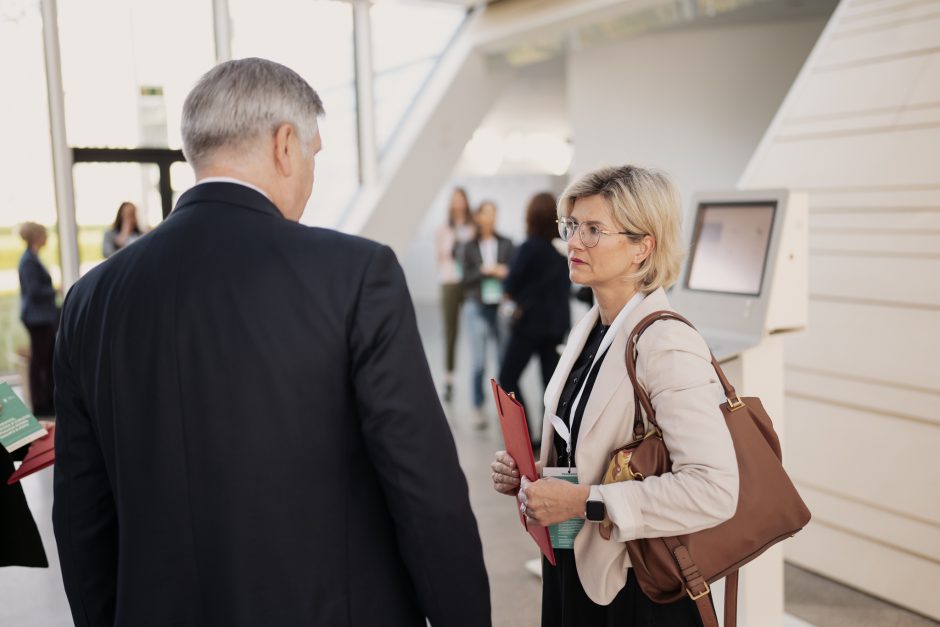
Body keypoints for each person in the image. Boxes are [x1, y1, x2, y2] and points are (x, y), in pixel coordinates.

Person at [53, 57, 490, 627]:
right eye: (313, 153)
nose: (310, 171)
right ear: (286, 145)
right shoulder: (353, 275)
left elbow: (82, 516)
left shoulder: (91, 300)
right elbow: (422, 486)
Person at [490, 166, 738, 626]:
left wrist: (583, 502)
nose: (574, 242)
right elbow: (592, 445)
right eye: (572, 227)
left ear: (643, 246)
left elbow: (715, 489)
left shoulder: (667, 344)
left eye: (593, 230)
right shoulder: (593, 329)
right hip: (573, 566)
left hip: (636, 589)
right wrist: (533, 472)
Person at [497, 192, 570, 442]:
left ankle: (524, 436)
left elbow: (510, 284)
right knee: (551, 387)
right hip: (556, 327)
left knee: (507, 378)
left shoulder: (528, 248)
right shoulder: (562, 253)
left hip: (528, 326)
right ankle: (550, 441)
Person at [460, 200, 513, 427]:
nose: (490, 217)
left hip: (500, 306)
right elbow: (465, 279)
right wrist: (483, 271)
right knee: (479, 362)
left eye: (494, 213)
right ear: (478, 217)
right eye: (486, 213)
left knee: (504, 361)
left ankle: (506, 409)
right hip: (477, 307)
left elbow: (515, 272)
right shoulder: (469, 246)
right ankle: (478, 407)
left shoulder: (507, 243)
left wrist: (504, 272)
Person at [436, 187, 474, 403]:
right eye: (455, 200)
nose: (458, 204)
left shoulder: (473, 228)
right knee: (450, 332)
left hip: (469, 284)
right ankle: (448, 379)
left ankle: (478, 381)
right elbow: (439, 257)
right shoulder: (443, 229)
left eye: (461, 199)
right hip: (450, 282)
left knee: (475, 330)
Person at [17, 222, 57, 417]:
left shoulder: (33, 258)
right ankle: (40, 403)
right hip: (36, 318)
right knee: (39, 361)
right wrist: (54, 291)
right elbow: (34, 291)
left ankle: (48, 398)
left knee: (46, 359)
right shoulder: (28, 261)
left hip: (42, 316)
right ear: (36, 236)